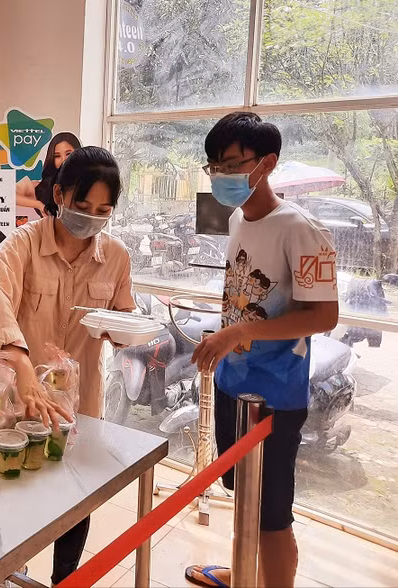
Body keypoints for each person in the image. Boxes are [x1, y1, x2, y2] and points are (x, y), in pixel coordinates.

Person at [184, 113, 339, 588]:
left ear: (266, 163)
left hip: (274, 397)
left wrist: (235, 333)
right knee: (243, 494)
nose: (221, 176)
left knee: (272, 513)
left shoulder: (302, 229)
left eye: (231, 164)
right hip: (234, 384)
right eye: (214, 166)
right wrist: (227, 332)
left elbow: (323, 316)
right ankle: (243, 572)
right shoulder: (237, 218)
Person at [0, 146, 136, 585]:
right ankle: (9, 569)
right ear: (60, 193)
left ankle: (65, 577)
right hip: (19, 399)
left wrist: (124, 329)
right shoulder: (23, 244)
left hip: (79, 404)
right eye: (83, 205)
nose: (91, 217)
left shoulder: (117, 256)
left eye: (104, 209)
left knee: (76, 496)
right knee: (14, 487)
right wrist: (25, 370)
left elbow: (125, 319)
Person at [15, 132, 82, 213]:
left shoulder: (90, 187)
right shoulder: (38, 187)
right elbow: (7, 194)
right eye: (57, 156)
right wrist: (39, 205)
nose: (64, 160)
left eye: (68, 154)